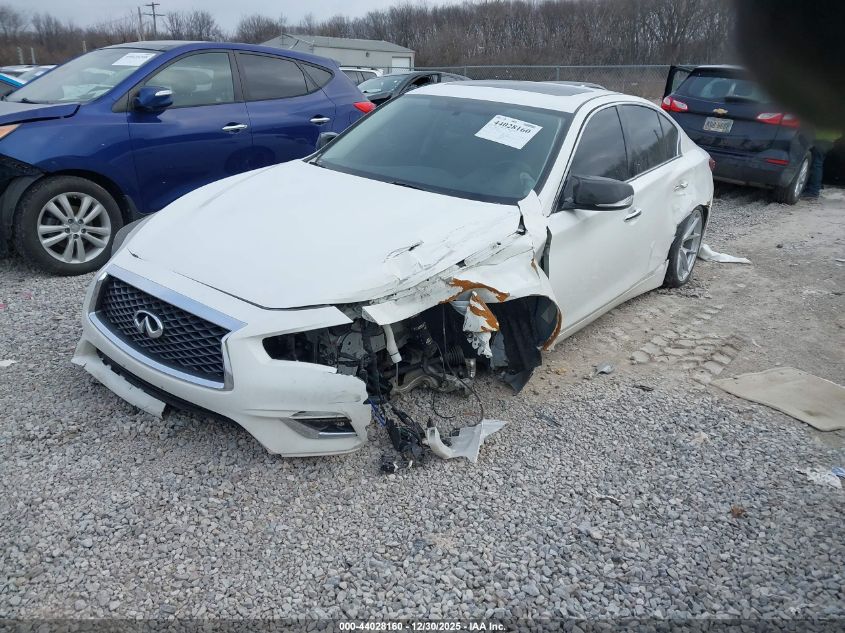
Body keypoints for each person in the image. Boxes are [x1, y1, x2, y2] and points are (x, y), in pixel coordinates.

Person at [803, 130, 841, 199]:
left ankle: (812, 191)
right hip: (830, 140)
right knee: (818, 163)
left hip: (822, 139)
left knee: (816, 164)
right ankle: (815, 186)